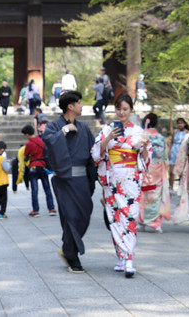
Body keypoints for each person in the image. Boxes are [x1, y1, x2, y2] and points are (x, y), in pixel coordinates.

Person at [92, 94, 152, 277]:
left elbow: (146, 157)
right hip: (112, 180)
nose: (121, 112)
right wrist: (108, 138)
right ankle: (120, 256)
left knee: (130, 217)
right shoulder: (107, 129)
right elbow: (96, 155)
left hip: (131, 180)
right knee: (115, 218)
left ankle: (129, 259)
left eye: (125, 109)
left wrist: (142, 146)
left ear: (131, 110)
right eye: (118, 109)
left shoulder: (138, 131)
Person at [42, 90, 95, 273]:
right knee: (71, 216)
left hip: (82, 179)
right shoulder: (54, 127)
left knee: (85, 215)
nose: (82, 106)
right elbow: (47, 142)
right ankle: (72, 255)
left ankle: (67, 248)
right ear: (70, 107)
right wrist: (64, 131)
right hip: (64, 179)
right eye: (79, 103)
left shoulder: (85, 128)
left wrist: (93, 177)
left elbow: (92, 153)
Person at [138, 112, 170, 233]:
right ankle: (156, 223)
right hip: (158, 169)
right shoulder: (161, 138)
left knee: (143, 195)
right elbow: (165, 156)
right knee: (156, 196)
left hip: (145, 168)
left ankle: (141, 221)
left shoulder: (143, 136)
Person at [20, 124, 56, 217]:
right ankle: (51, 208)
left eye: (25, 135)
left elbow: (26, 155)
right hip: (43, 166)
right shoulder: (41, 141)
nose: (25, 137)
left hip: (33, 167)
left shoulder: (29, 144)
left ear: (27, 134)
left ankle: (35, 210)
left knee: (34, 189)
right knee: (47, 188)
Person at [168, 116, 189, 189]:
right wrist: (169, 151)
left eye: (181, 123)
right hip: (174, 150)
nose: (180, 125)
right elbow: (171, 142)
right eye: (178, 123)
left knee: (181, 171)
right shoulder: (175, 131)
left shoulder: (187, 132)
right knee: (171, 171)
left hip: (182, 151)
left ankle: (181, 187)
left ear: (184, 124)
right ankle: (171, 187)